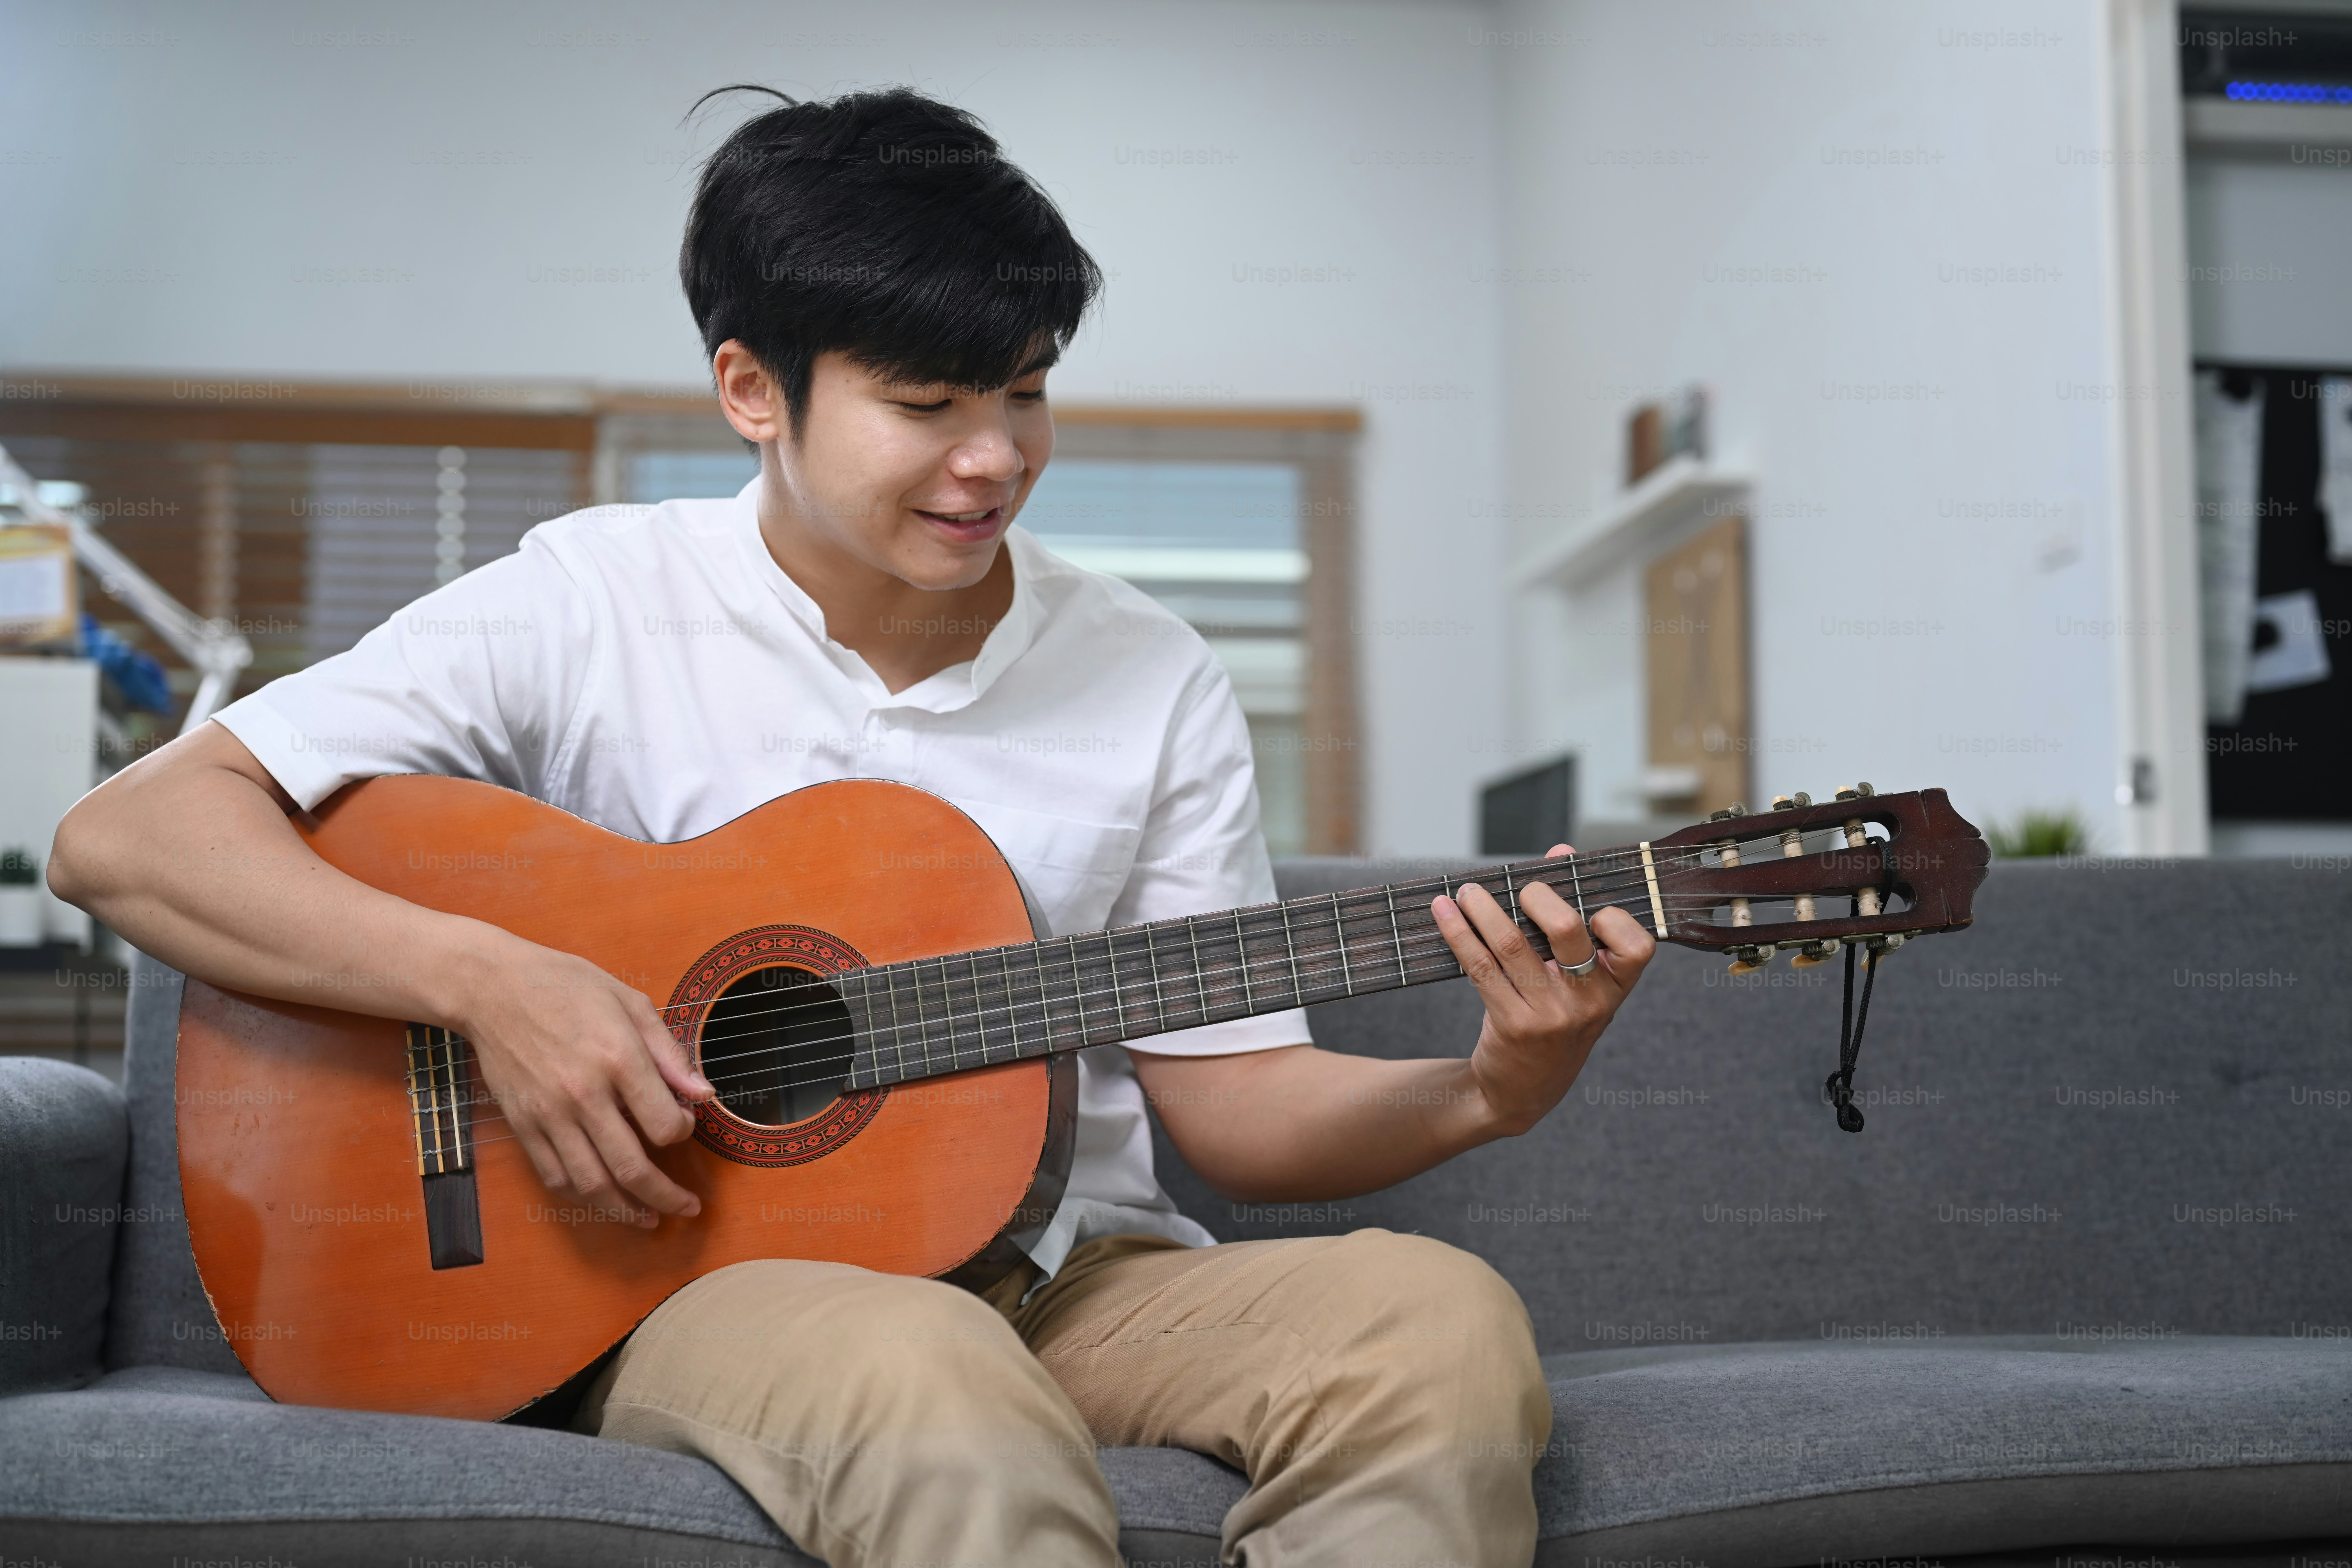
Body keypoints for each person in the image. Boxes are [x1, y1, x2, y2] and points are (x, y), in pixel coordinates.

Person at [49, 85, 1654, 1568]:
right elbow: (127, 840)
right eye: (927, 402)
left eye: (1027, 391)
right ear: (753, 390)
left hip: (1077, 1281)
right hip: (709, 1287)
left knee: (1434, 1318)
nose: (995, 457)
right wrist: (493, 983)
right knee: (921, 1363)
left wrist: (1485, 1091)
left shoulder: (1152, 673)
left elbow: (1235, 1110)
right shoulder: (590, 598)